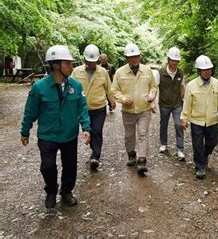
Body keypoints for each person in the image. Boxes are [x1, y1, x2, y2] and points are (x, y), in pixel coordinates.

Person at [20, 45, 91, 209]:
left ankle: (66, 192)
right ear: (56, 65)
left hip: (69, 135)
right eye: (68, 63)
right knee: (47, 166)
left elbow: (82, 108)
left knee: (70, 165)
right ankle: (51, 190)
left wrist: (86, 129)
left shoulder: (76, 86)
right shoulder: (39, 87)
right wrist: (25, 131)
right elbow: (30, 111)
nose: (71, 67)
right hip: (47, 136)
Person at [112, 43, 157, 175]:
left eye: (136, 56)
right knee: (129, 135)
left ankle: (142, 160)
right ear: (126, 58)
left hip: (144, 109)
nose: (134, 59)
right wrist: (122, 99)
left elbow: (153, 87)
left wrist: (152, 95)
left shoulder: (147, 70)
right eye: (131, 57)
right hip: (128, 111)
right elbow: (114, 90)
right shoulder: (120, 72)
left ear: (140, 56)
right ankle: (131, 154)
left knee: (143, 134)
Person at [181, 55, 218, 179]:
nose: (207, 72)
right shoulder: (191, 85)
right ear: (199, 71)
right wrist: (184, 118)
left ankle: (205, 155)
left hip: (212, 119)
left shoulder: (217, 84)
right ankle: (200, 166)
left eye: (209, 69)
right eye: (204, 70)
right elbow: (187, 104)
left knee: (212, 142)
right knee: (197, 144)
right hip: (197, 120)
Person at [72, 44, 116, 171]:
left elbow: (109, 88)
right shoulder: (76, 72)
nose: (91, 64)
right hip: (83, 109)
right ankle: (94, 152)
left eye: (93, 61)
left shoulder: (102, 72)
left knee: (97, 130)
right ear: (84, 59)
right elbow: (71, 88)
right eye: (88, 61)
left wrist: (112, 101)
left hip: (99, 107)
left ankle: (95, 156)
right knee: (89, 131)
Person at [157, 47, 186, 161]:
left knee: (179, 125)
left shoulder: (181, 73)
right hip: (164, 104)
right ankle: (163, 144)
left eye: (176, 61)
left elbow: (182, 87)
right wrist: (151, 101)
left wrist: (183, 99)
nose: (174, 63)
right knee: (163, 124)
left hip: (177, 104)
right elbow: (155, 86)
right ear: (168, 60)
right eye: (172, 60)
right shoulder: (160, 72)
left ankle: (180, 150)